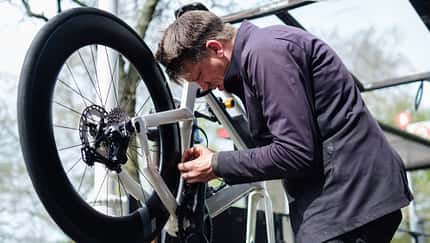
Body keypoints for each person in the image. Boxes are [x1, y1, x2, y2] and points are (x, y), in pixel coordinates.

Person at [155, 9, 413, 243]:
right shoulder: (257, 58)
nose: (204, 87)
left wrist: (217, 164)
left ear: (215, 48)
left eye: (200, 75)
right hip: (343, 199)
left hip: (351, 199)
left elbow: (295, 152)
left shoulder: (265, 53)